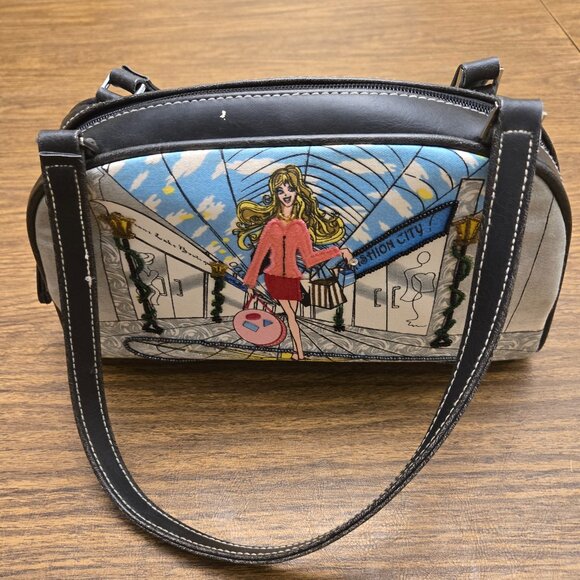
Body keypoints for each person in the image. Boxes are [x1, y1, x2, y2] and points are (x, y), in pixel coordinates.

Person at [236, 165, 353, 360]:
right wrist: (250, 282)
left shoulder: (300, 226)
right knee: (291, 315)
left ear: (297, 191)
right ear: (276, 195)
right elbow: (259, 256)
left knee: (292, 317)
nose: (286, 194)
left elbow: (309, 258)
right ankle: (300, 353)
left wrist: (337, 251)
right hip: (274, 278)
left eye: (290, 189)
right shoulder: (271, 226)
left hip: (293, 279)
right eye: (280, 190)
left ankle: (297, 352)